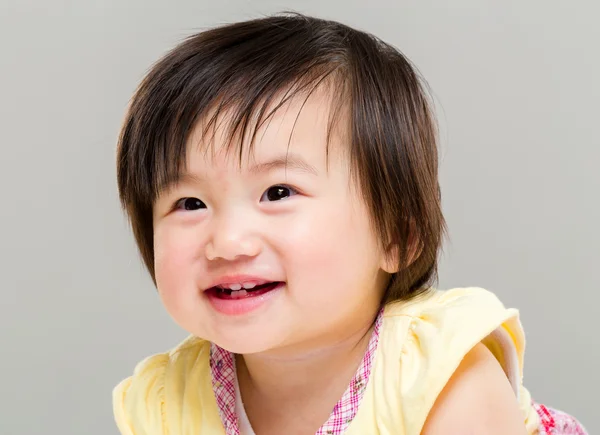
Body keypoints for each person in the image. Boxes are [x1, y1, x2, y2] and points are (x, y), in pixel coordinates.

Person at [112, 12, 586, 434]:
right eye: (191, 203)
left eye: (278, 192)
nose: (228, 242)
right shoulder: (165, 401)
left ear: (397, 234)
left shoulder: (437, 375)